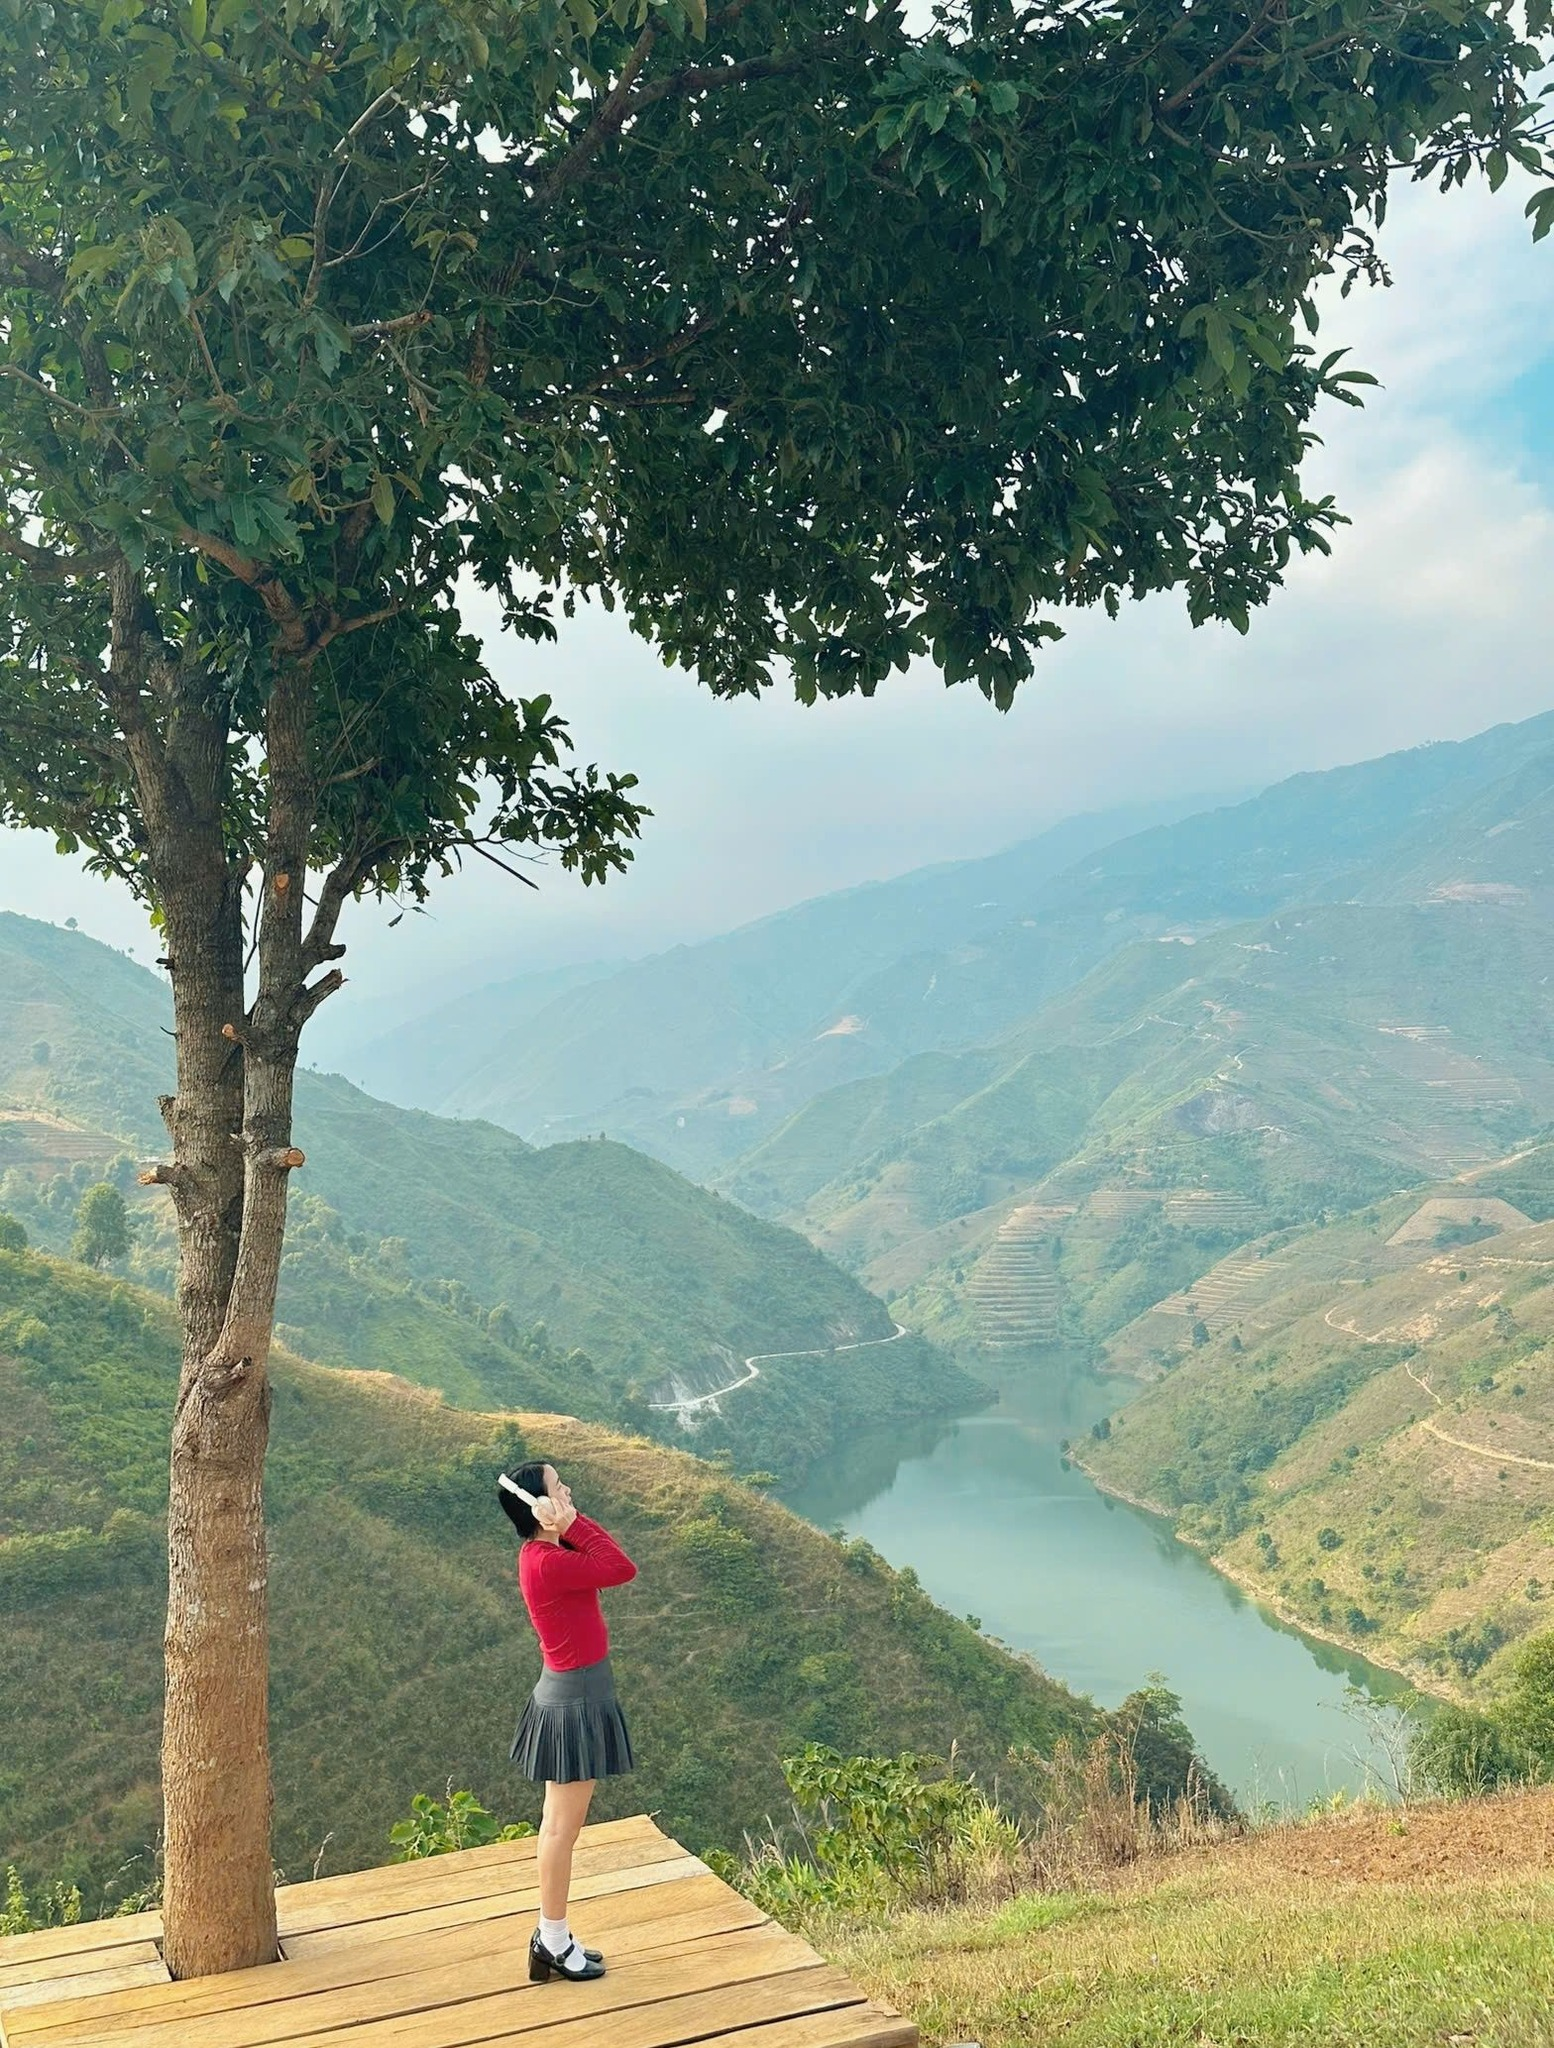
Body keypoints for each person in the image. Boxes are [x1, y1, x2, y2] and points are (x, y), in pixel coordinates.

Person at [497, 1460, 638, 1983]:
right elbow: (621, 1567)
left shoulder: (543, 1555)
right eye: (560, 1488)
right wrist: (574, 1523)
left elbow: (607, 1562)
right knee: (560, 1829)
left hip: (576, 1694)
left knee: (561, 1827)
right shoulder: (548, 1562)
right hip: (575, 1701)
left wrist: (569, 1523)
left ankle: (552, 1935)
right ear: (539, 1507)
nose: (570, 1491)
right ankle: (551, 1939)